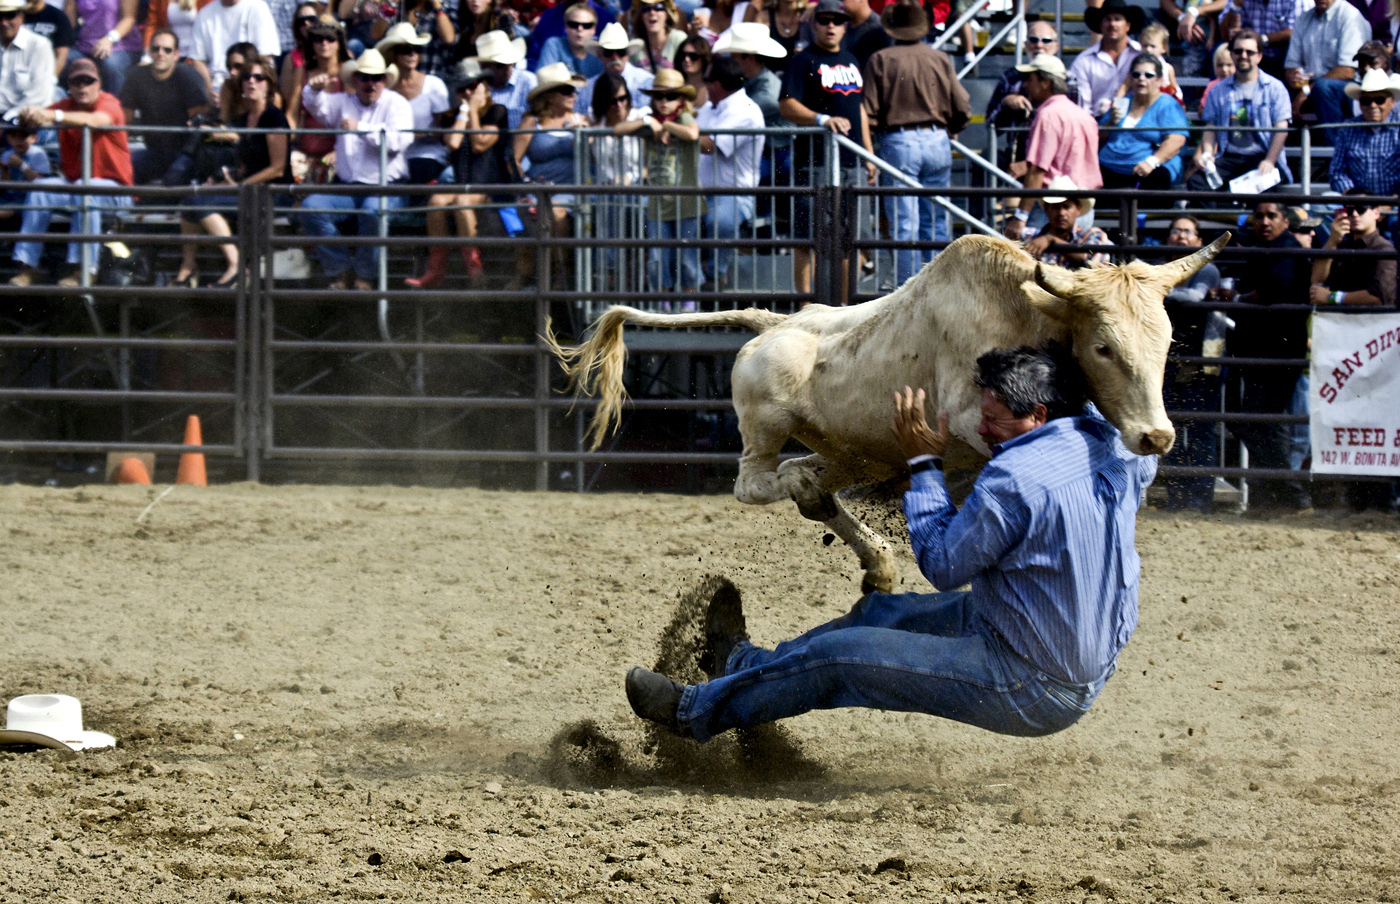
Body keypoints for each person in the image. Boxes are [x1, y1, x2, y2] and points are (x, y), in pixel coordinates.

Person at [625, 345, 1158, 744]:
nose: (982, 429)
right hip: (1050, 636)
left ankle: (691, 712)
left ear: (1038, 415)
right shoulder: (1117, 444)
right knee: (882, 613)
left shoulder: (1014, 478)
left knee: (840, 658)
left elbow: (944, 564)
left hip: (1029, 680)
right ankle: (742, 665)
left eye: (993, 420)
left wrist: (924, 465)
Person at [863, 0, 970, 287]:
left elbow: (869, 110)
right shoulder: (939, 58)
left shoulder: (881, 59)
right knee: (935, 220)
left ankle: (907, 290)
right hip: (937, 139)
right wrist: (953, 127)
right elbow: (963, 104)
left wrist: (875, 136)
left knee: (903, 223)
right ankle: (939, 288)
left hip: (899, 140)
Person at [8, 59, 132, 287]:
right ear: (69, 86)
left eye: (88, 81)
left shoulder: (109, 102)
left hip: (116, 191)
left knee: (87, 190)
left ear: (99, 83)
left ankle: (84, 271)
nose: (82, 87)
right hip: (78, 185)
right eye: (77, 82)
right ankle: (28, 267)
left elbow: (95, 121)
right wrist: (29, 113)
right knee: (39, 190)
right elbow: (35, 119)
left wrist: (53, 116)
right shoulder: (65, 105)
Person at [780, 0, 875, 298]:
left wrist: (868, 153)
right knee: (808, 239)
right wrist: (821, 119)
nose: (831, 25)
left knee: (852, 240)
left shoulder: (851, 59)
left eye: (837, 20)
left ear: (846, 25)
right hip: (815, 162)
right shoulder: (802, 60)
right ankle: (808, 307)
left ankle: (845, 308)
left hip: (853, 162)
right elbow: (786, 105)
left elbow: (858, 109)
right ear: (814, 23)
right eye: (824, 20)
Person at [298, 47, 413, 289]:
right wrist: (315, 87)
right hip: (348, 189)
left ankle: (364, 275)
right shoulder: (343, 102)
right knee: (310, 208)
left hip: (388, 188)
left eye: (376, 78)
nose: (370, 83)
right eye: (365, 77)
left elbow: (397, 143)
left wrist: (360, 127)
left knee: (373, 212)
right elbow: (314, 104)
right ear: (355, 80)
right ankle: (340, 268)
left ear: (384, 81)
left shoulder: (398, 104)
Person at [1226, 200, 1313, 513]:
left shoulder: (1287, 249)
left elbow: (1273, 290)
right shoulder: (1264, 247)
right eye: (1259, 215)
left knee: (1260, 421)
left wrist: (1235, 297)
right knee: (1256, 421)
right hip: (1262, 348)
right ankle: (1275, 495)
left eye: (1271, 216)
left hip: (1277, 349)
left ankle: (1289, 494)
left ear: (1284, 221)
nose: (1264, 221)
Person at [174, 53, 289, 286]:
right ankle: (188, 268)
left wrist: (240, 185)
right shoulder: (245, 119)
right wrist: (226, 180)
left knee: (200, 203)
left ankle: (236, 266)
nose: (252, 82)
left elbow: (277, 168)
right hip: (249, 188)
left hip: (272, 193)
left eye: (259, 77)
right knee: (189, 199)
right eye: (247, 77)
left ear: (269, 85)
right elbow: (245, 161)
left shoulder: (274, 118)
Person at [406, 60, 510, 288]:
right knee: (435, 200)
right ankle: (435, 270)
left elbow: (479, 144)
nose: (467, 92)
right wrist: (466, 109)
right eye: (461, 89)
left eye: (472, 86)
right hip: (464, 186)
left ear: (483, 86)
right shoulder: (453, 116)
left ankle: (476, 272)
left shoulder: (497, 111)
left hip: (492, 188)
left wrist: (472, 108)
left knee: (462, 200)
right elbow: (453, 143)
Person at [1158, 215, 1222, 513]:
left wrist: (1155, 290)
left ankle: (1199, 497)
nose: (1181, 236)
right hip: (1164, 357)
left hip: (1198, 357)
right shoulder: (1160, 267)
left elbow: (1195, 298)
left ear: (1198, 241)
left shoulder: (1206, 269)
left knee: (1199, 429)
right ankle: (1177, 494)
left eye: (1187, 232)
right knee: (1167, 427)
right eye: (1176, 230)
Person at [1003, 54, 1101, 241]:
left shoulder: (1047, 115)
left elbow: (1037, 170)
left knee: (1037, 264)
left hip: (1051, 208)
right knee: (1074, 265)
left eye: (1029, 79)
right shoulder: (1085, 116)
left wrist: (1021, 216)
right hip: (1082, 206)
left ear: (1046, 82)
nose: (1025, 85)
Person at [1188, 30, 1293, 193]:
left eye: (1249, 52)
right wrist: (1208, 154)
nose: (1243, 55)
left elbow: (1281, 129)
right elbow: (1211, 126)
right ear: (1232, 54)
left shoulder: (1275, 88)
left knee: (1264, 189)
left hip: (1262, 156)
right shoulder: (1217, 90)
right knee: (1197, 183)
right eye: (1238, 51)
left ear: (1259, 56)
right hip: (1229, 157)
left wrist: (1270, 161)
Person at [513, 62, 587, 286]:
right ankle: (545, 275)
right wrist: (525, 184)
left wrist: (583, 137)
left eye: (573, 90)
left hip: (575, 191)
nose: (573, 94)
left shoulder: (581, 120)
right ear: (549, 95)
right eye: (566, 90)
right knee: (548, 214)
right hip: (539, 190)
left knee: (557, 215)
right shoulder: (531, 122)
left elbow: (594, 159)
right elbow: (514, 159)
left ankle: (557, 276)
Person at [630, 68, 704, 293]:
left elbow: (692, 134)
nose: (664, 101)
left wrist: (667, 126)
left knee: (687, 256)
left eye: (670, 96)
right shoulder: (651, 121)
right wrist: (647, 121)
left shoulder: (683, 117)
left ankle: (691, 303)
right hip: (658, 203)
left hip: (687, 202)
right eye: (658, 96)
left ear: (681, 99)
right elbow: (616, 130)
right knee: (658, 256)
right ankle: (661, 303)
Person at [695, 52, 762, 290]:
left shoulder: (745, 110)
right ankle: (690, 283)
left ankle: (715, 276)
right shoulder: (710, 108)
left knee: (720, 221)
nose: (703, 84)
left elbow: (709, 145)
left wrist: (676, 129)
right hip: (701, 192)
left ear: (717, 84)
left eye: (706, 79)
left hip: (734, 194)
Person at [120, 28, 210, 184]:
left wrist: (185, 159)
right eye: (156, 49)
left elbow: (200, 123)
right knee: (121, 168)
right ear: (149, 52)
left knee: (173, 180)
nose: (160, 53)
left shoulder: (188, 76)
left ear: (176, 55)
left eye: (167, 50)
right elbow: (123, 122)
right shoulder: (136, 76)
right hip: (152, 151)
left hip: (184, 152)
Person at [1097, 53, 1188, 189]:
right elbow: (1096, 136)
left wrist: (1152, 162)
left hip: (1145, 170)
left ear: (1159, 80)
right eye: (1136, 75)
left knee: (1156, 179)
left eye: (1148, 75)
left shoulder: (1168, 105)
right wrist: (1111, 123)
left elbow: (1176, 139)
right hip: (1108, 164)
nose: (1141, 79)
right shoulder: (1122, 102)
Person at [1283, 0, 1371, 139]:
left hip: (1347, 86)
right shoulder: (1303, 19)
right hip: (1308, 84)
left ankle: (1334, 151)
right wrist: (1293, 77)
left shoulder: (1350, 16)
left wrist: (1307, 90)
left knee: (1323, 88)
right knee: (1275, 86)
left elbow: (1347, 70)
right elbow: (1291, 64)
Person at [380, 23, 451, 182]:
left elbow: (442, 130)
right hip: (392, 155)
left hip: (427, 154)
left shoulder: (434, 85)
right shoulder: (385, 89)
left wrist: (410, 136)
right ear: (394, 54)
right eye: (406, 50)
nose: (412, 54)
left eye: (416, 50)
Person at [986, 21, 1057, 172]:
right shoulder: (1011, 76)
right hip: (1017, 154)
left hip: (1055, 159)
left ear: (1056, 47)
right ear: (1025, 45)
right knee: (987, 159)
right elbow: (990, 123)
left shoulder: (1069, 81)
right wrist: (1006, 103)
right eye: (1033, 40)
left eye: (1046, 40)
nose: (1038, 45)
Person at [1310, 188, 1396, 306]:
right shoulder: (1340, 245)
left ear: (1376, 213)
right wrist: (1332, 241)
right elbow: (1316, 281)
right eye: (1350, 210)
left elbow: (1380, 297)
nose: (1355, 214)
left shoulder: (1384, 249)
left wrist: (1332, 297)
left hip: (1369, 320)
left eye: (1361, 209)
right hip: (1339, 320)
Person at [189, 0, 281, 101]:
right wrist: (210, 91)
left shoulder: (258, 8)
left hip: (249, 82)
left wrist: (244, 83)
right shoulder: (204, 14)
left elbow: (265, 56)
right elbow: (197, 60)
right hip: (216, 85)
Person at [1329, 68, 1400, 193]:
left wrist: (1390, 204)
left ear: (1392, 102)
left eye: (1379, 100)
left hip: (1395, 205)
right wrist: (1354, 198)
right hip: (1357, 203)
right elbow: (1337, 172)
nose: (1372, 105)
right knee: (1326, 201)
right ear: (1360, 104)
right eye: (1366, 101)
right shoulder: (1348, 129)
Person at [1069, 0, 1143, 116]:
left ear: (1127, 26)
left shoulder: (1142, 54)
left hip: (1137, 122)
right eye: (1107, 19)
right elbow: (1082, 107)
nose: (1112, 24)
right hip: (1097, 124)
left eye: (1117, 19)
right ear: (1100, 25)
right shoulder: (1084, 61)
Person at [1022, 176, 1112, 268]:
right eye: (1056, 207)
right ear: (1046, 209)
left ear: (1078, 209)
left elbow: (1095, 271)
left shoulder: (1095, 235)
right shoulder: (1033, 242)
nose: (1061, 213)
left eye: (1066, 207)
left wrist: (1054, 240)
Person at [68, 0, 142, 96]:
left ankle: (116, 107)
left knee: (111, 64)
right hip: (85, 45)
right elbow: (69, 22)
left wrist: (110, 39)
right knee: (65, 60)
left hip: (120, 45)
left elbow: (129, 18)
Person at [576, 22, 654, 113]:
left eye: (621, 52)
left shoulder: (646, 82)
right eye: (608, 52)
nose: (615, 57)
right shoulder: (588, 88)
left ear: (628, 54)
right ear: (599, 55)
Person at [0, 0, 54, 122]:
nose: (4, 22)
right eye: (0, 16)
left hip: (25, 120)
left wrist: (7, 120)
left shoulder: (39, 45)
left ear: (21, 16)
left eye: (10, 15)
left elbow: (39, 95)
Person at [1219, 0, 1302, 76]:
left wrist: (1259, 40)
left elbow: (1297, 32)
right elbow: (1225, 35)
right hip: (1250, 54)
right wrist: (1236, 6)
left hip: (1283, 55)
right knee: (1221, 51)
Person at [477, 29, 534, 128]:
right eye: (501, 65)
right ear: (486, 66)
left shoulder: (528, 81)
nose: (508, 68)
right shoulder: (477, 87)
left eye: (511, 62)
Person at [276, 2, 320, 125]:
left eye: (311, 19)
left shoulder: (332, 55)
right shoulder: (291, 58)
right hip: (301, 117)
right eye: (301, 21)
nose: (306, 23)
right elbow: (287, 98)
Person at [1113, 23, 1182, 100]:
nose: (1148, 49)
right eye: (1145, 46)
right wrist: (1117, 101)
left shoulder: (1167, 68)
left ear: (1163, 48)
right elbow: (1125, 85)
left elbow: (1174, 89)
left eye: (1153, 46)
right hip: (1139, 103)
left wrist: (1178, 102)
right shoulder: (1136, 67)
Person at [0, 120, 50, 225]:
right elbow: (5, 187)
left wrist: (21, 165)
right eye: (13, 136)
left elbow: (40, 182)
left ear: (33, 138)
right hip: (9, 197)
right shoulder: (6, 155)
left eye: (23, 136)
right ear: (8, 139)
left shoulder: (38, 154)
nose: (18, 141)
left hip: (29, 197)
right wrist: (5, 170)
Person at [536, 0, 603, 78]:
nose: (580, 29)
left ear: (594, 29)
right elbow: (544, 79)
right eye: (573, 24)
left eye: (586, 25)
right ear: (565, 27)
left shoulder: (601, 51)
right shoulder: (553, 45)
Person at [1160, 0, 1227, 77]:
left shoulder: (1205, 2)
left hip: (1212, 40)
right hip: (1189, 42)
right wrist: (1183, 18)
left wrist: (1195, 12)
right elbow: (1165, 1)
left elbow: (1228, 2)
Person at [394, 0, 456, 78]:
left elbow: (449, 38)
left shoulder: (446, 8)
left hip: (432, 74)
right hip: (401, 77)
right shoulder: (400, 6)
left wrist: (437, 6)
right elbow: (376, 35)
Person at [628, 0, 687, 74]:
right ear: (640, 16)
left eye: (658, 8)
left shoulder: (678, 39)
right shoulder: (635, 45)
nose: (652, 12)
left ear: (667, 14)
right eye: (646, 9)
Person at [20, 0, 72, 80]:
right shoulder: (13, 16)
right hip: (19, 68)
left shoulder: (58, 17)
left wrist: (50, 80)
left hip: (46, 70)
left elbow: (61, 56)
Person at [673, 33, 710, 107]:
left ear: (704, 58)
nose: (686, 59)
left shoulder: (713, 90)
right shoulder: (673, 88)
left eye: (693, 56)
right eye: (683, 55)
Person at [1199, 39, 1235, 110]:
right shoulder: (1212, 86)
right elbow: (1202, 110)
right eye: (1220, 65)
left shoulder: (1241, 84)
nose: (1224, 69)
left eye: (1229, 65)